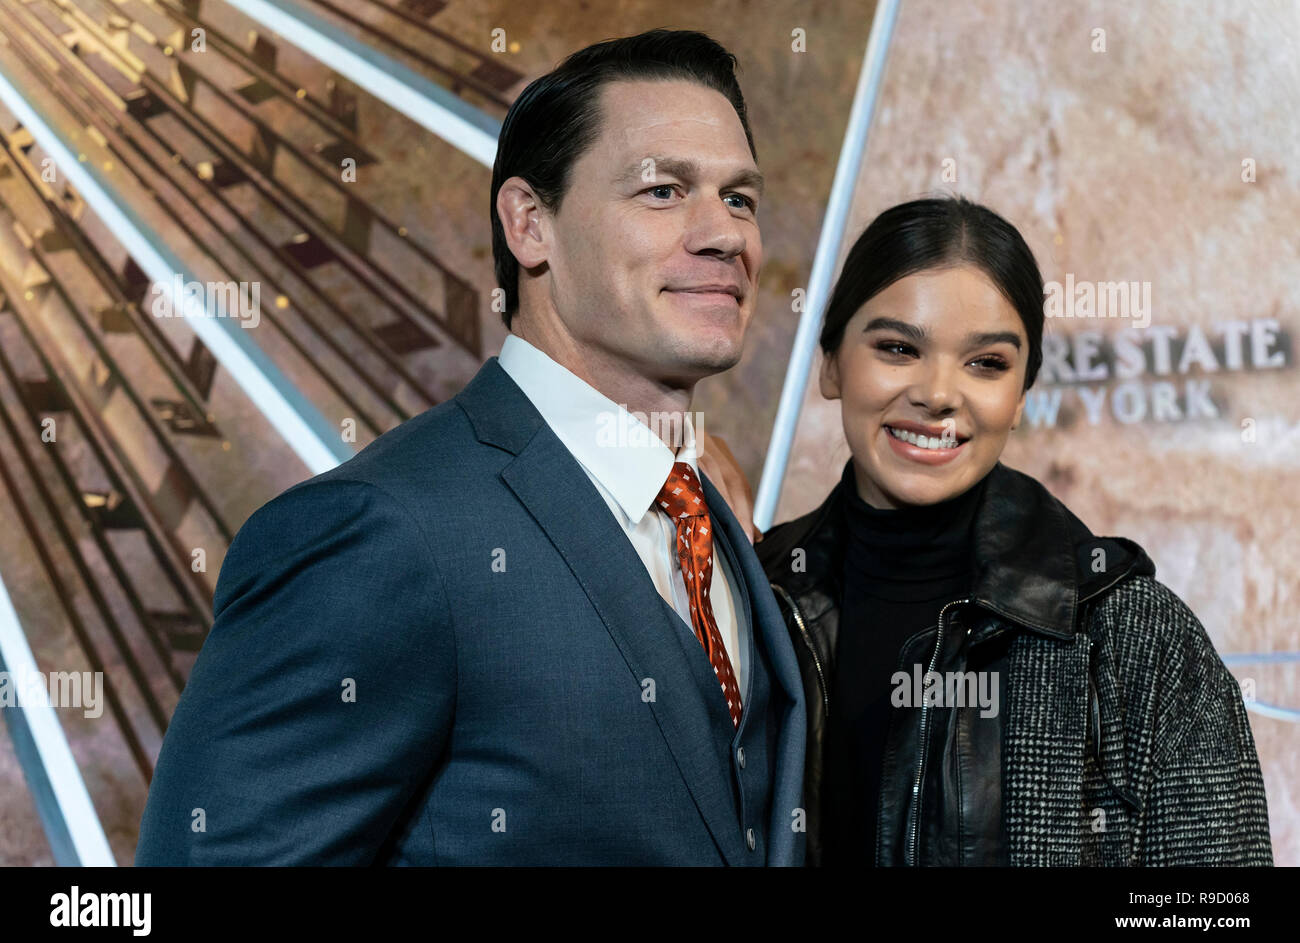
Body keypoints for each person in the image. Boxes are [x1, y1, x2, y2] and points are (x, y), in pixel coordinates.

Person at [136, 29, 805, 866]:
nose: (723, 235)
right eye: (664, 191)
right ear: (530, 225)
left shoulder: (713, 524)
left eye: (740, 199)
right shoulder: (380, 531)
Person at [756, 196, 1272, 866]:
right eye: (898, 348)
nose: (939, 393)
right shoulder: (750, 598)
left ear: (1022, 396)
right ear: (830, 363)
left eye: (986, 363)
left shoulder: (1135, 637)